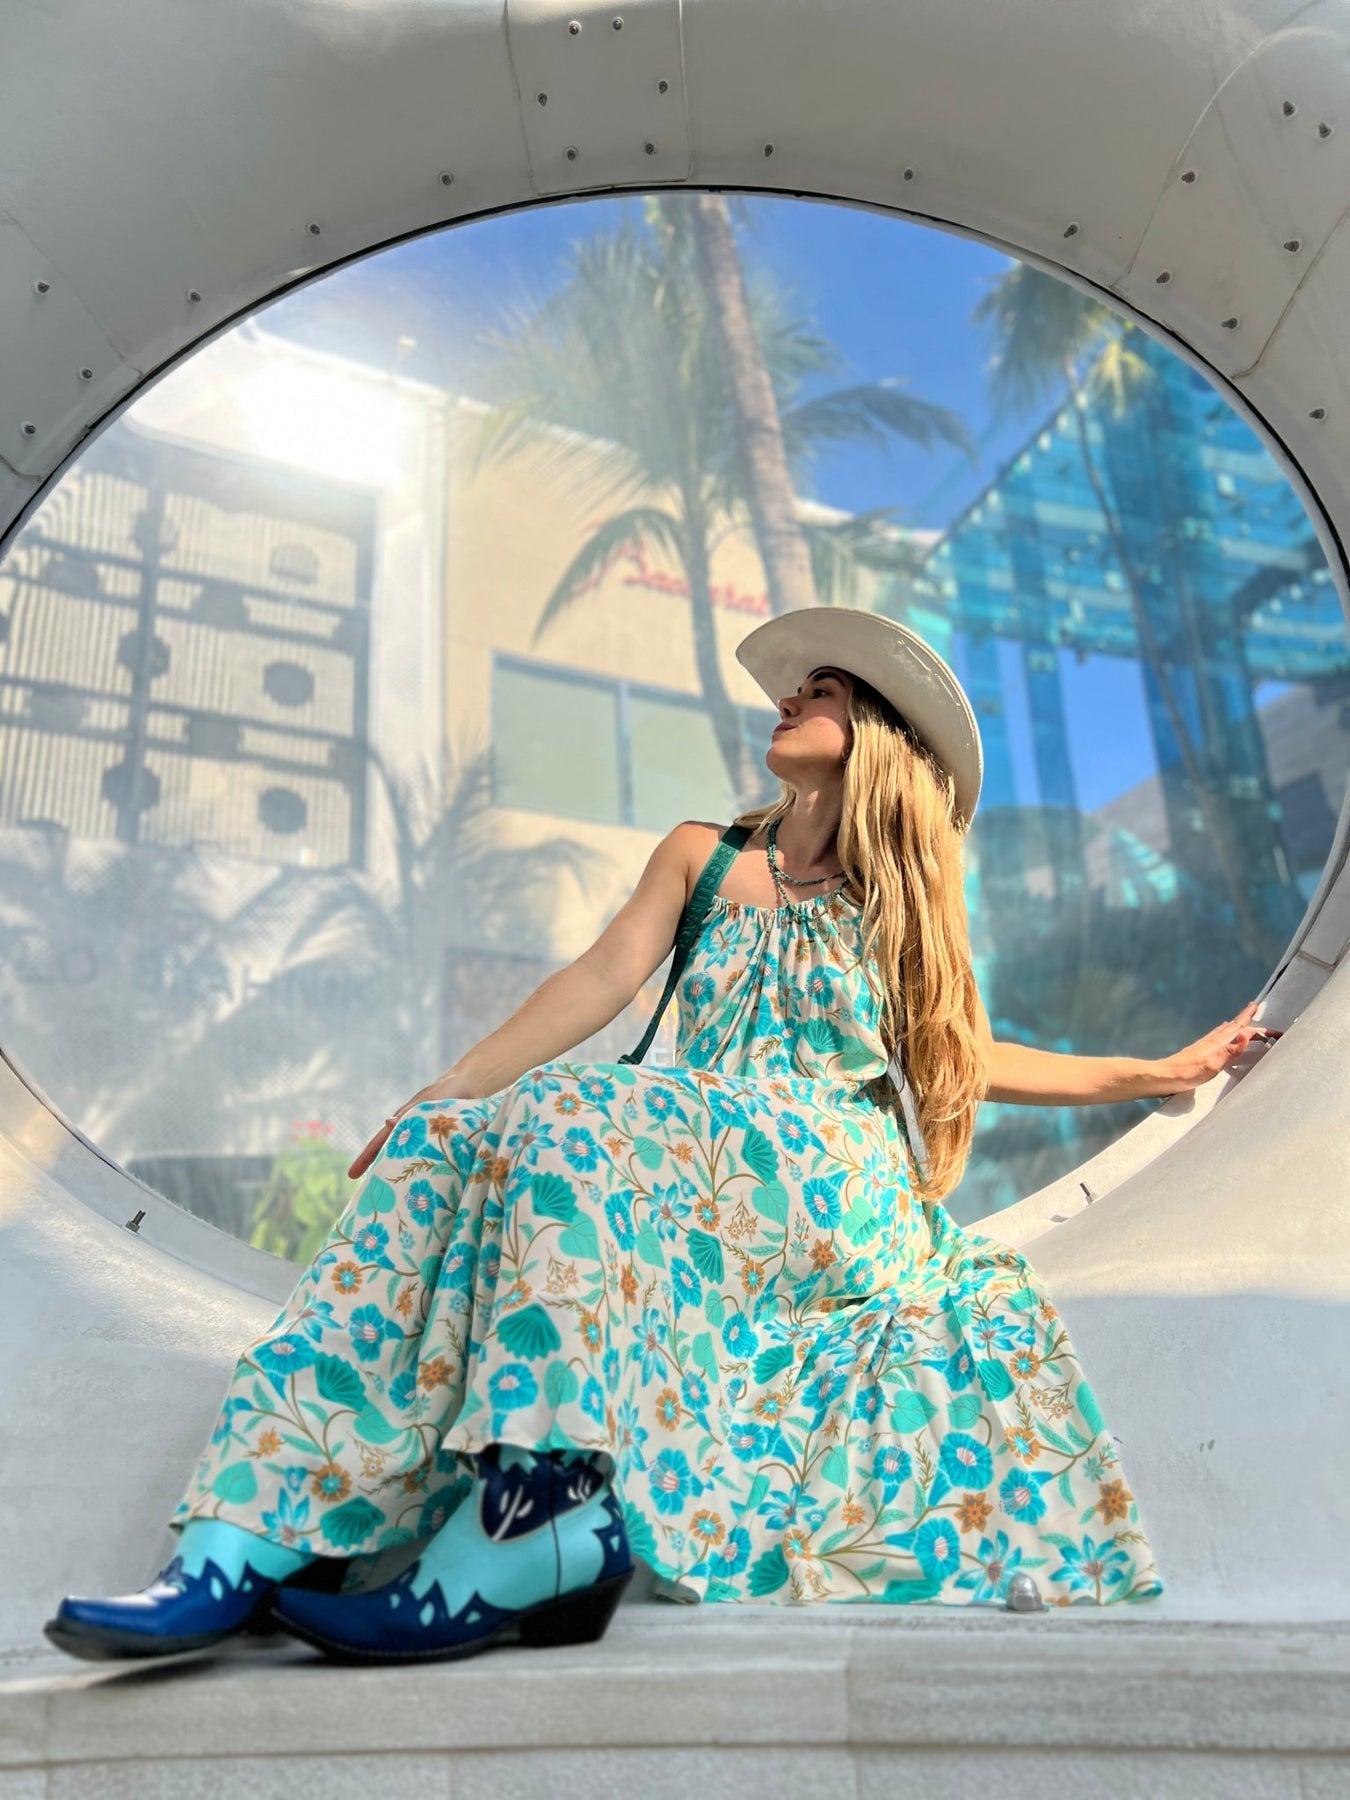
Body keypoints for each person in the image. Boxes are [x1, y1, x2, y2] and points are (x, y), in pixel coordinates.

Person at [46, 606, 1263, 1664]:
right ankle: (250, 1529)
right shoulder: (703, 854)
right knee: (439, 1148)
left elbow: (964, 1056)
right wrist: (443, 1093)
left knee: (583, 1104)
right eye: (794, 687)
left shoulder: (894, 895)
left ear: (880, 734)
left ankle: (542, 1509)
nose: (789, 699)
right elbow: (598, 981)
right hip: (686, 1163)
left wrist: (1152, 1073)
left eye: (821, 690)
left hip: (829, 1188)